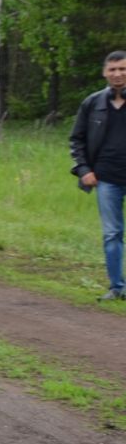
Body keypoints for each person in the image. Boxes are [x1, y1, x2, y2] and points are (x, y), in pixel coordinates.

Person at [69, 50, 126, 302]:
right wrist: (84, 170)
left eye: (123, 69)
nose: (118, 74)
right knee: (112, 233)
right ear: (104, 72)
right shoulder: (92, 103)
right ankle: (117, 287)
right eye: (113, 69)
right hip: (107, 180)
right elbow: (77, 139)